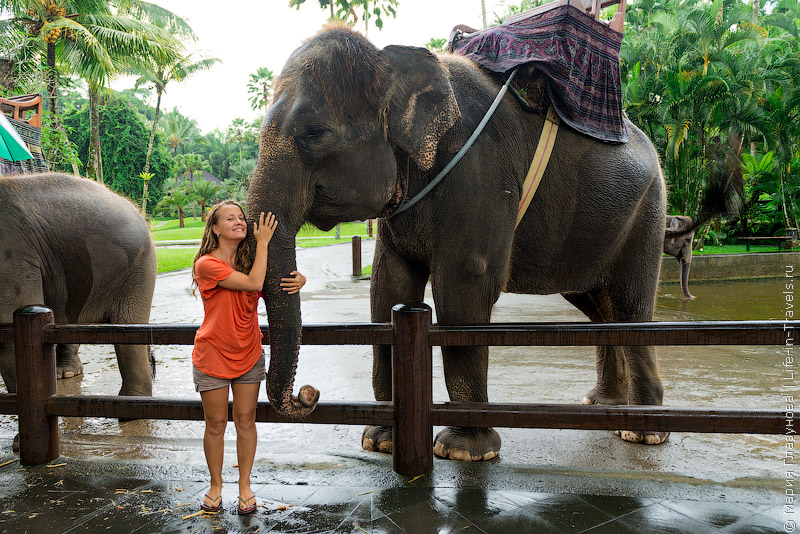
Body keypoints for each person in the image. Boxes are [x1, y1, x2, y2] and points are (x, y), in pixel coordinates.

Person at [191, 200, 306, 515]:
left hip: (248, 354)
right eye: (230, 218)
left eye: (241, 217)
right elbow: (255, 283)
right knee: (215, 424)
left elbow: (271, 282)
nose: (239, 221)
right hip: (213, 354)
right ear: (215, 228)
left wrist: (299, 280)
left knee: (245, 421)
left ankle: (244, 486)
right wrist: (265, 241)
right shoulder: (207, 264)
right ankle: (216, 486)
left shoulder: (251, 261)